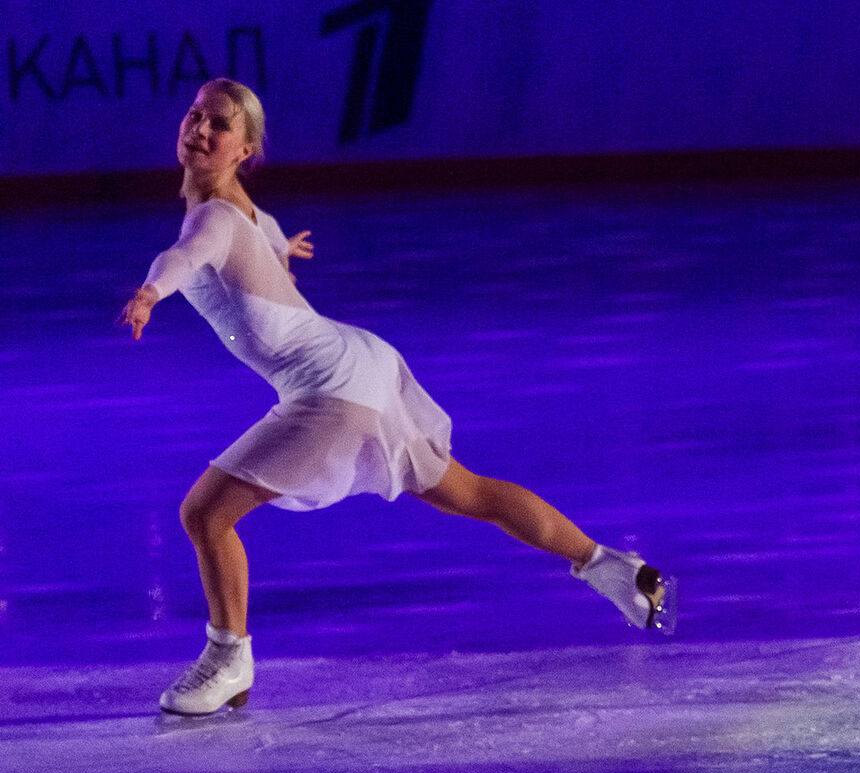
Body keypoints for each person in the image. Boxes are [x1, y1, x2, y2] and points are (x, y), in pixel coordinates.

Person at [118, 79, 676, 717]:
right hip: (364, 362)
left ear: (246, 149)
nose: (200, 129)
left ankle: (228, 660)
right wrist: (277, 250)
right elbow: (258, 232)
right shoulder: (240, 210)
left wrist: (150, 293)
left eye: (220, 125)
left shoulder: (213, 218)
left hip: (331, 386)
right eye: (196, 114)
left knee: (205, 514)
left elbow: (187, 256)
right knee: (469, 493)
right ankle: (617, 570)